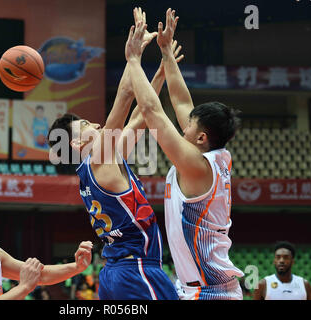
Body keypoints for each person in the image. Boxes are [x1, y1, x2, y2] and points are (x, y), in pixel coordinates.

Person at [48, 8, 181, 300]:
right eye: (84, 125)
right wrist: (134, 54)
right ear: (74, 145)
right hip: (136, 270)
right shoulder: (99, 160)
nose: (94, 124)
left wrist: (159, 73)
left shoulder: (99, 167)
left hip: (116, 272)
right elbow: (123, 98)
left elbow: (140, 117)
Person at [125, 8, 244, 300]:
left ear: (201, 137)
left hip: (211, 292)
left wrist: (133, 60)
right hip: (198, 289)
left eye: (189, 125)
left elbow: (152, 111)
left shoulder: (196, 165)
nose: (184, 124)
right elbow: (180, 99)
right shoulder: (211, 154)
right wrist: (166, 52)